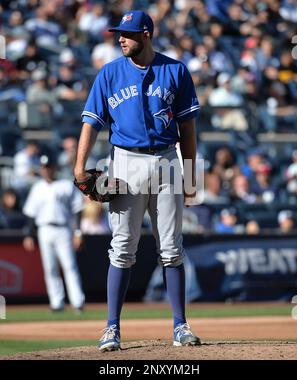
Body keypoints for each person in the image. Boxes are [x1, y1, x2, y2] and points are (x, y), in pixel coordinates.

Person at [74, 10, 201, 351]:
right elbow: (91, 122)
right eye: (119, 33)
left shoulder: (176, 70)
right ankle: (111, 328)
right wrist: (79, 166)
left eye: (127, 33)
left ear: (145, 34)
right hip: (125, 161)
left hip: (167, 159)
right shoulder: (109, 72)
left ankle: (180, 326)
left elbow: (188, 129)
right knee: (122, 249)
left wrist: (191, 176)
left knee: (172, 249)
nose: (120, 39)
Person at [23, 154, 85, 312]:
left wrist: (78, 232)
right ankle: (56, 303)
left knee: (69, 266)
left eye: (49, 167)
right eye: (44, 168)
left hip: (63, 229)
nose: (46, 170)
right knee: (50, 268)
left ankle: (77, 302)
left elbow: (78, 209)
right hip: (44, 229)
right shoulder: (37, 187)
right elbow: (31, 213)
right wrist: (30, 234)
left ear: (55, 168)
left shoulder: (65, 185)